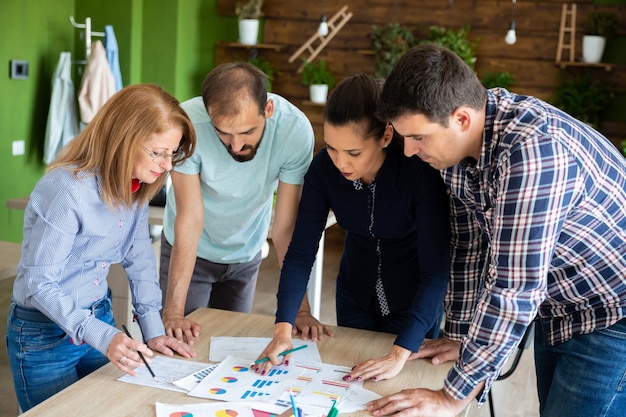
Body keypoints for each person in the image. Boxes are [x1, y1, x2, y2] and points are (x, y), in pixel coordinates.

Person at [367, 44, 626, 417]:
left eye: (418, 137)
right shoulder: (456, 152)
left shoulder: (534, 153)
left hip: (613, 312)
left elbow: (514, 290)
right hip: (560, 307)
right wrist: (459, 334)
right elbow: (468, 245)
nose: (408, 151)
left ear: (461, 119)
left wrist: (452, 397)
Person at [6, 84, 198, 412]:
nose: (167, 166)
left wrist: (152, 330)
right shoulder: (66, 190)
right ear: (123, 140)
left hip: (101, 321)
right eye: (158, 152)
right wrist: (103, 336)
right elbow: (40, 283)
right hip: (44, 336)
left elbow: (138, 257)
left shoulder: (136, 186)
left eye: (172, 153)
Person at [256, 73, 450, 381]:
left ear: (386, 136)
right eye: (332, 148)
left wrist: (400, 354)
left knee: (398, 388)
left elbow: (436, 272)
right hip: (353, 296)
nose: (340, 163)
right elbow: (300, 252)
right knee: (349, 385)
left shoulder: (419, 172)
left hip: (414, 303)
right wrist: (283, 329)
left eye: (353, 153)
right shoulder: (323, 170)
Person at [159, 62, 316, 344]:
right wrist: (172, 311)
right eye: (223, 133)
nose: (235, 146)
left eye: (247, 132)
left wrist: (301, 310)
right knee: (179, 344)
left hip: (246, 254)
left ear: (267, 110)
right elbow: (190, 219)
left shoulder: (294, 130)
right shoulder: (187, 124)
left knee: (227, 346)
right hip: (189, 254)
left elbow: (285, 228)